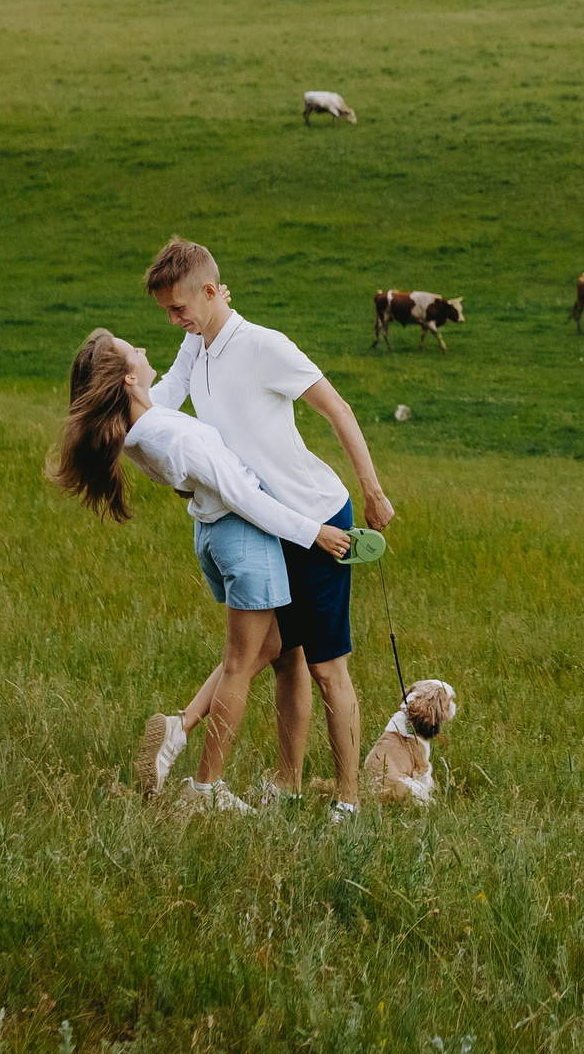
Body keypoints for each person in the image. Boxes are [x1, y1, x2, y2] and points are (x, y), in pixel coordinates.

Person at [140, 237, 397, 820]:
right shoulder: (194, 348)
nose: (174, 320)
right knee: (286, 659)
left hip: (319, 516)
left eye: (179, 308)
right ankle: (287, 783)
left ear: (211, 291)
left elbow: (338, 408)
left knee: (329, 670)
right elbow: (158, 408)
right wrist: (118, 396)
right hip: (267, 522)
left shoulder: (264, 346)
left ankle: (349, 803)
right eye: (166, 313)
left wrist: (373, 489)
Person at [45, 326, 341, 811]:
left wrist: (200, 326)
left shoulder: (143, 422)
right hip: (243, 534)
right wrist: (313, 532)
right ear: (126, 379)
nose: (142, 349)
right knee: (242, 665)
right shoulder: (169, 435)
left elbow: (179, 377)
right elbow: (244, 497)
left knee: (275, 649)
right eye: (132, 350)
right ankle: (205, 789)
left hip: (216, 535)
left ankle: (183, 731)